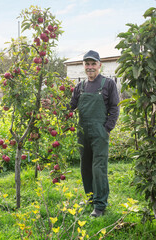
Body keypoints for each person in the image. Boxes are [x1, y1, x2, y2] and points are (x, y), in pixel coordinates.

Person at [70, 50, 120, 217]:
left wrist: (107, 129)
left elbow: (114, 107)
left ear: (99, 65)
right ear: (84, 66)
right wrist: (52, 106)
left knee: (98, 168)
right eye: (87, 64)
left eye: (93, 64)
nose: (90, 67)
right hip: (82, 131)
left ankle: (100, 205)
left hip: (100, 131)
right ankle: (91, 198)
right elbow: (70, 107)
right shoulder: (80, 86)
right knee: (85, 167)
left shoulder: (108, 84)